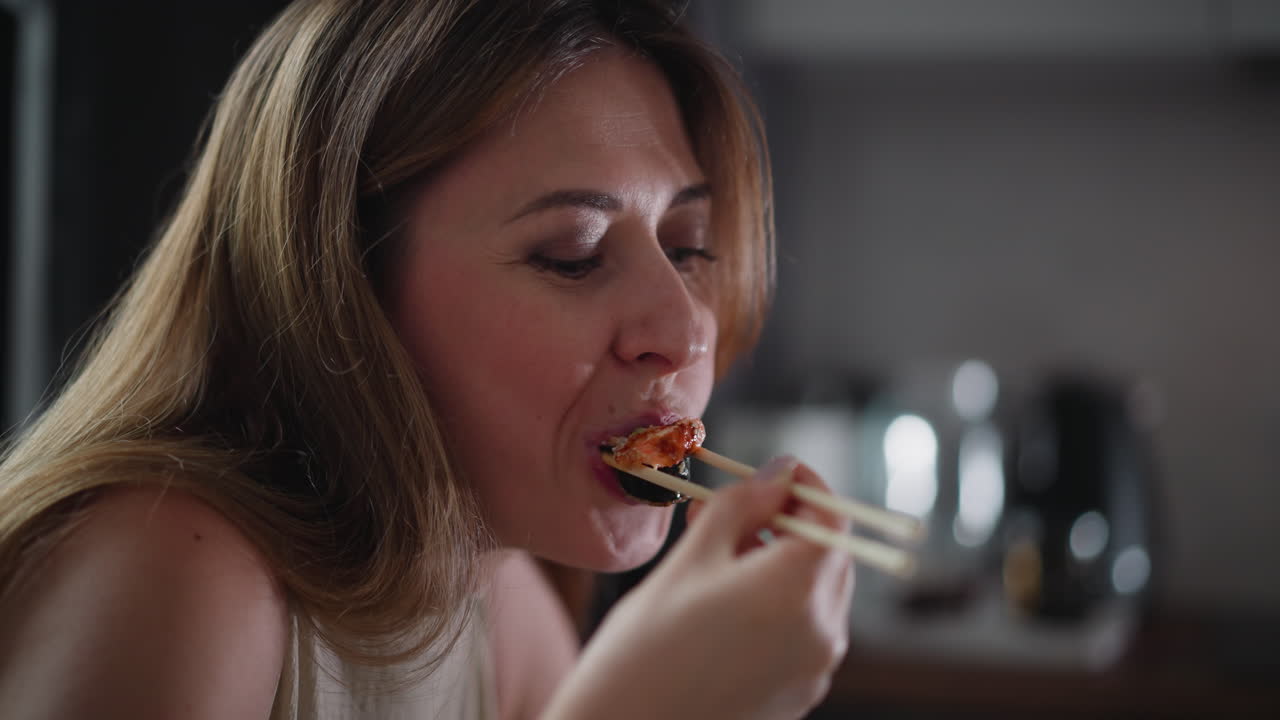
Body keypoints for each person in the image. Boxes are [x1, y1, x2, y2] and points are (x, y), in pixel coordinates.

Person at [0, 1, 854, 718]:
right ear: (345, 287)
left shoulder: (506, 616)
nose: (686, 326)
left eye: (688, 245)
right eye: (574, 253)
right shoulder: (171, 573)